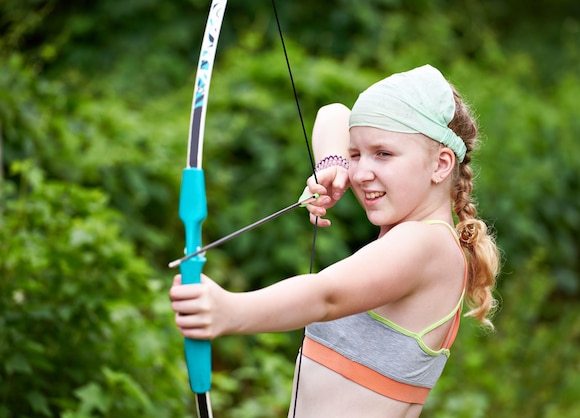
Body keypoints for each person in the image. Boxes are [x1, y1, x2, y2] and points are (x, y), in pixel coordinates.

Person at [170, 64, 500, 417]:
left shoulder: (426, 244)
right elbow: (333, 114)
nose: (360, 173)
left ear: (440, 164)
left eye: (383, 154)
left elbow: (326, 296)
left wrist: (230, 311)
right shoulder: (410, 234)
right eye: (356, 154)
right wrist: (334, 163)